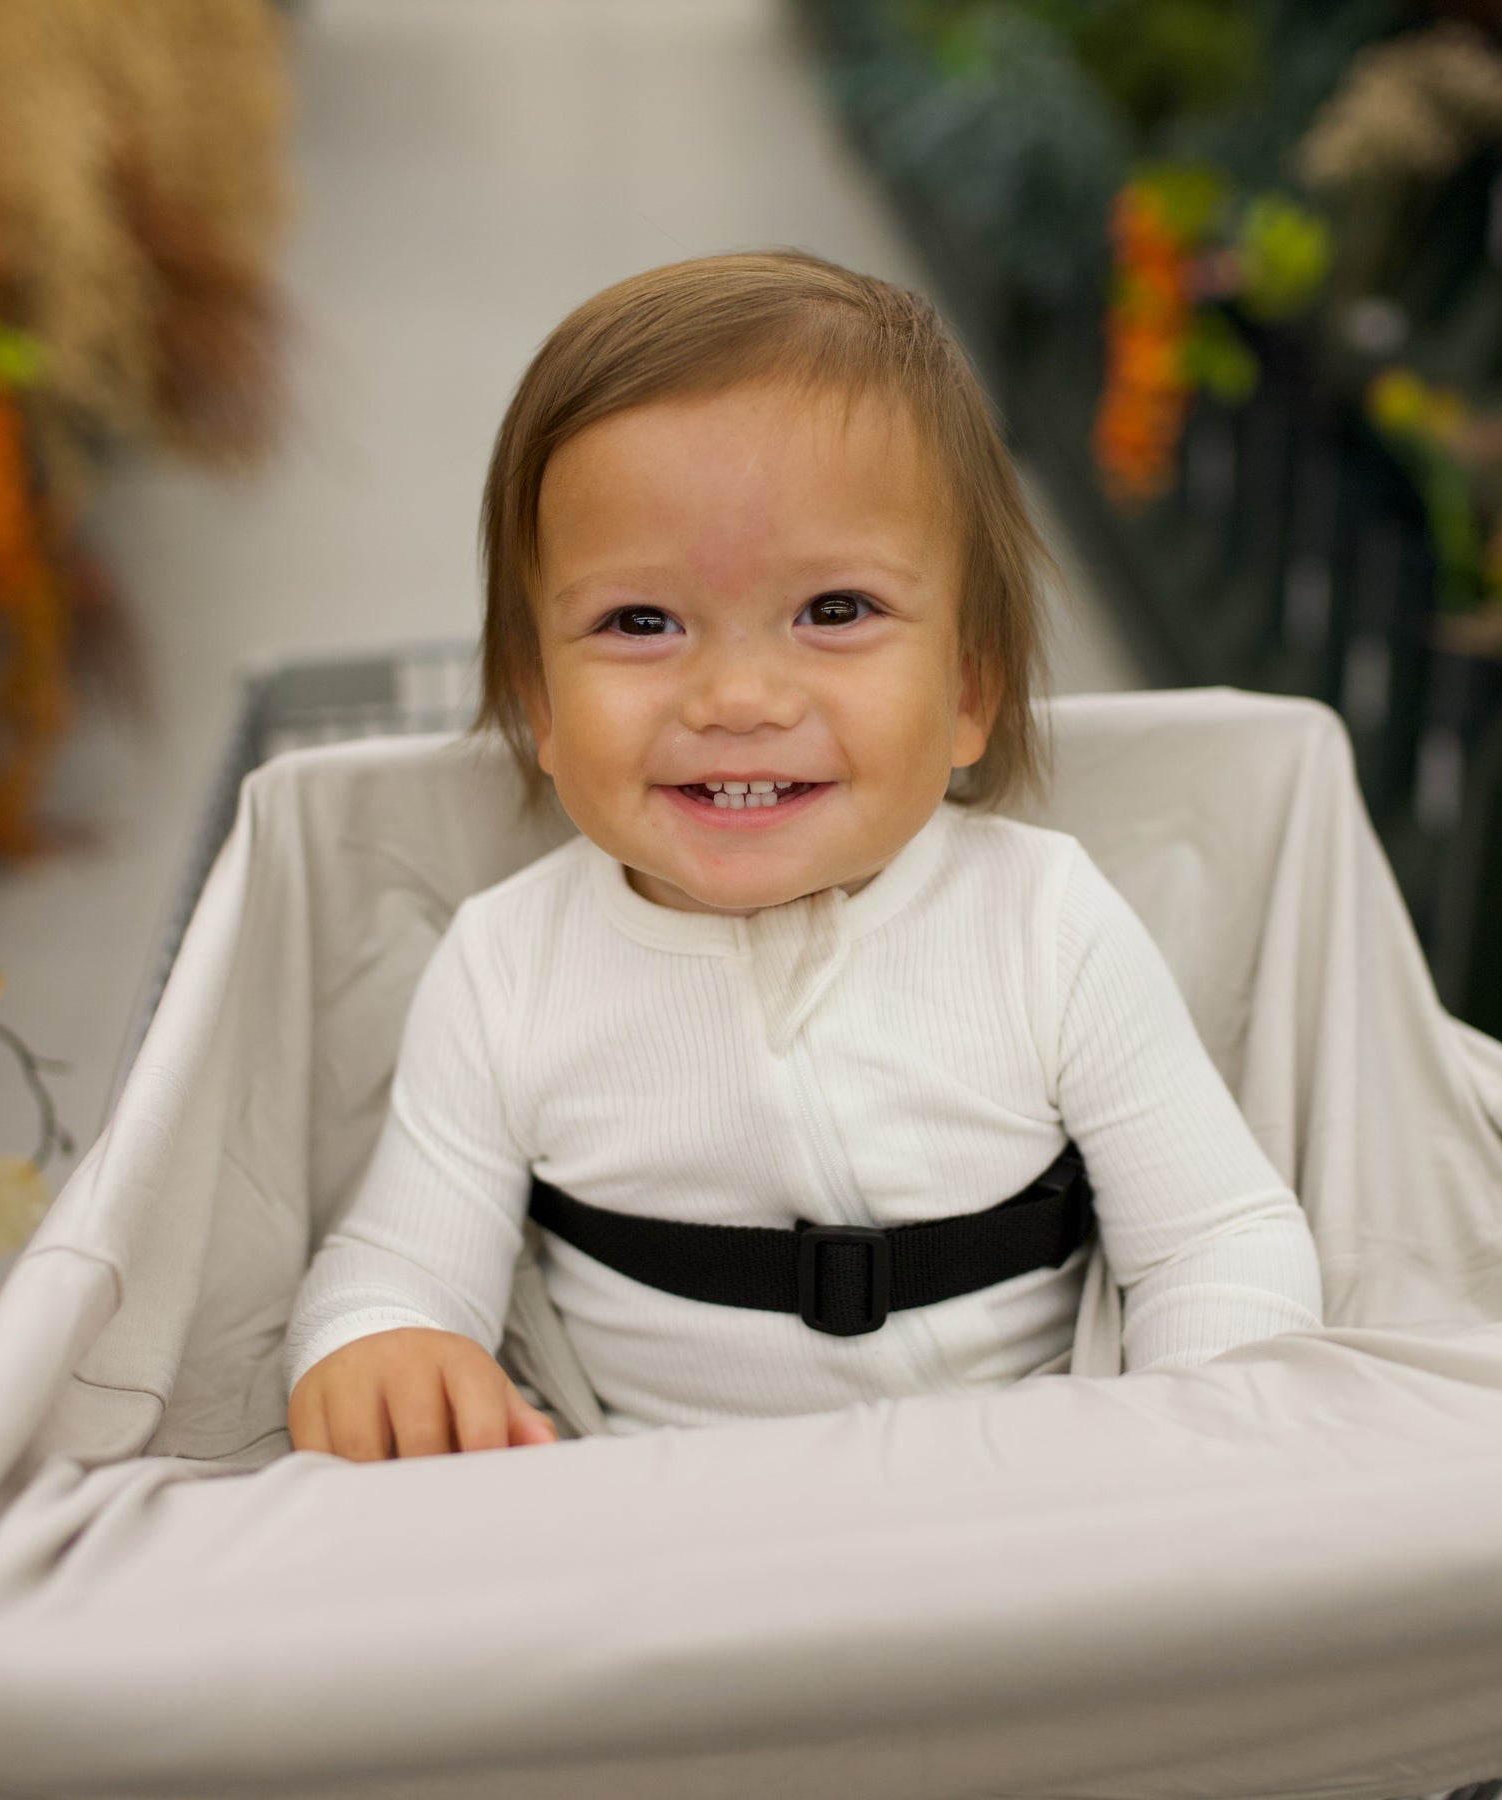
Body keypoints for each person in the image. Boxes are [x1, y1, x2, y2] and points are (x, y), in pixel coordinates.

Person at [283, 250, 1324, 1461]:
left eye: (835, 612)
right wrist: (382, 1343)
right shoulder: (506, 968)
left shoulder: (1046, 926)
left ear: (968, 690)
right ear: (541, 707)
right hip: (665, 1515)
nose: (738, 698)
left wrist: (1199, 1446)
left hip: (1031, 1492)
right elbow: (398, 1262)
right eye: (640, 621)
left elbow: (1217, 1238)